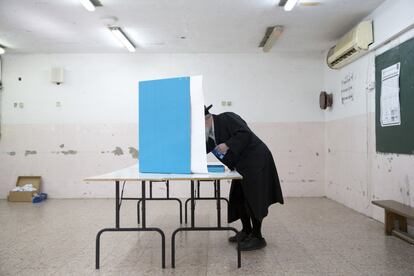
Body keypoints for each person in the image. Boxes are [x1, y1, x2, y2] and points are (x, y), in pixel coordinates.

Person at [204, 104, 284, 251]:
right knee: (238, 196)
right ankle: (246, 230)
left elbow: (245, 133)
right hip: (240, 165)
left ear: (206, 120)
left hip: (256, 159)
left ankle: (258, 237)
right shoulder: (208, 136)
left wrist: (228, 144)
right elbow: (200, 151)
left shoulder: (227, 117)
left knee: (254, 197)